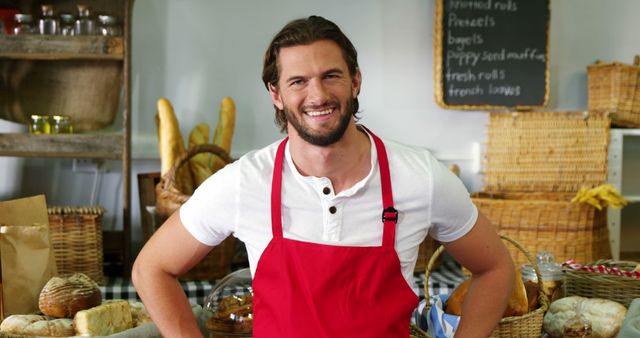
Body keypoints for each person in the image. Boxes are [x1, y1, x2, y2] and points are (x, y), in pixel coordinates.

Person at [132, 15, 515, 338]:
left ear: (355, 81)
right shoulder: (245, 182)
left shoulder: (420, 178)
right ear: (276, 94)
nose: (317, 95)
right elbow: (151, 268)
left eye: (331, 75)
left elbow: (495, 268)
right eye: (298, 81)